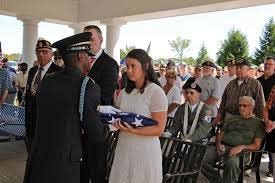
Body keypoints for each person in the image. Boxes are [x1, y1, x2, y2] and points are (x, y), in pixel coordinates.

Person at [23, 32, 117, 183]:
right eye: (88, 55)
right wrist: (110, 126)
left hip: (39, 159)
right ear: (80, 56)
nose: (90, 59)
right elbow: (95, 134)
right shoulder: (87, 86)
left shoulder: (47, 81)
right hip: (64, 165)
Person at [109, 49, 168, 183]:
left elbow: (159, 129)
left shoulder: (155, 92)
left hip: (145, 152)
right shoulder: (124, 93)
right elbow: (117, 117)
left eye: (133, 66)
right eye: (127, 66)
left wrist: (133, 130)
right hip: (124, 149)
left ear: (145, 66)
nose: (128, 70)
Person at [201, 96, 265, 183]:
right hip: (223, 147)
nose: (241, 108)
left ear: (252, 107)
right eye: (240, 105)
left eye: (245, 106)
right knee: (201, 157)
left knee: (232, 163)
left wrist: (241, 147)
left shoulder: (258, 123)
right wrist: (218, 144)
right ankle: (218, 181)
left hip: (241, 152)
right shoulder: (232, 118)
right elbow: (221, 134)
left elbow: (257, 146)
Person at [24, 39, 62, 155]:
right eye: (38, 51)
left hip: (47, 127)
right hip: (30, 126)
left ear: (51, 53)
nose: (41, 54)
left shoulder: (59, 73)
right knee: (31, 158)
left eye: (45, 51)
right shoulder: (32, 71)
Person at [213, 58, 265, 125]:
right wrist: (219, 115)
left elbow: (260, 106)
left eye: (241, 68)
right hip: (229, 118)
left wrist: (259, 125)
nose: (238, 70)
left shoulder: (255, 84)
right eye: (237, 68)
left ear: (247, 69)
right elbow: (224, 102)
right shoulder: (231, 84)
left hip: (246, 121)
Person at [83, 25, 119, 105]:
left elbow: (105, 97)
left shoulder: (110, 64)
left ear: (101, 40)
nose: (88, 43)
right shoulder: (80, 60)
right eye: (85, 40)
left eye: (91, 40)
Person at [257, 56, 275, 177]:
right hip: (259, 116)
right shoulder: (258, 81)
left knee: (271, 146)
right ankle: (254, 166)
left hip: (272, 119)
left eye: (270, 64)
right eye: (266, 64)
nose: (267, 66)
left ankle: (271, 169)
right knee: (258, 142)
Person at [263, 85, 275, 180]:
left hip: (272, 126)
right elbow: (266, 108)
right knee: (273, 156)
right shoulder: (272, 92)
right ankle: (272, 172)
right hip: (271, 130)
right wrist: (267, 121)